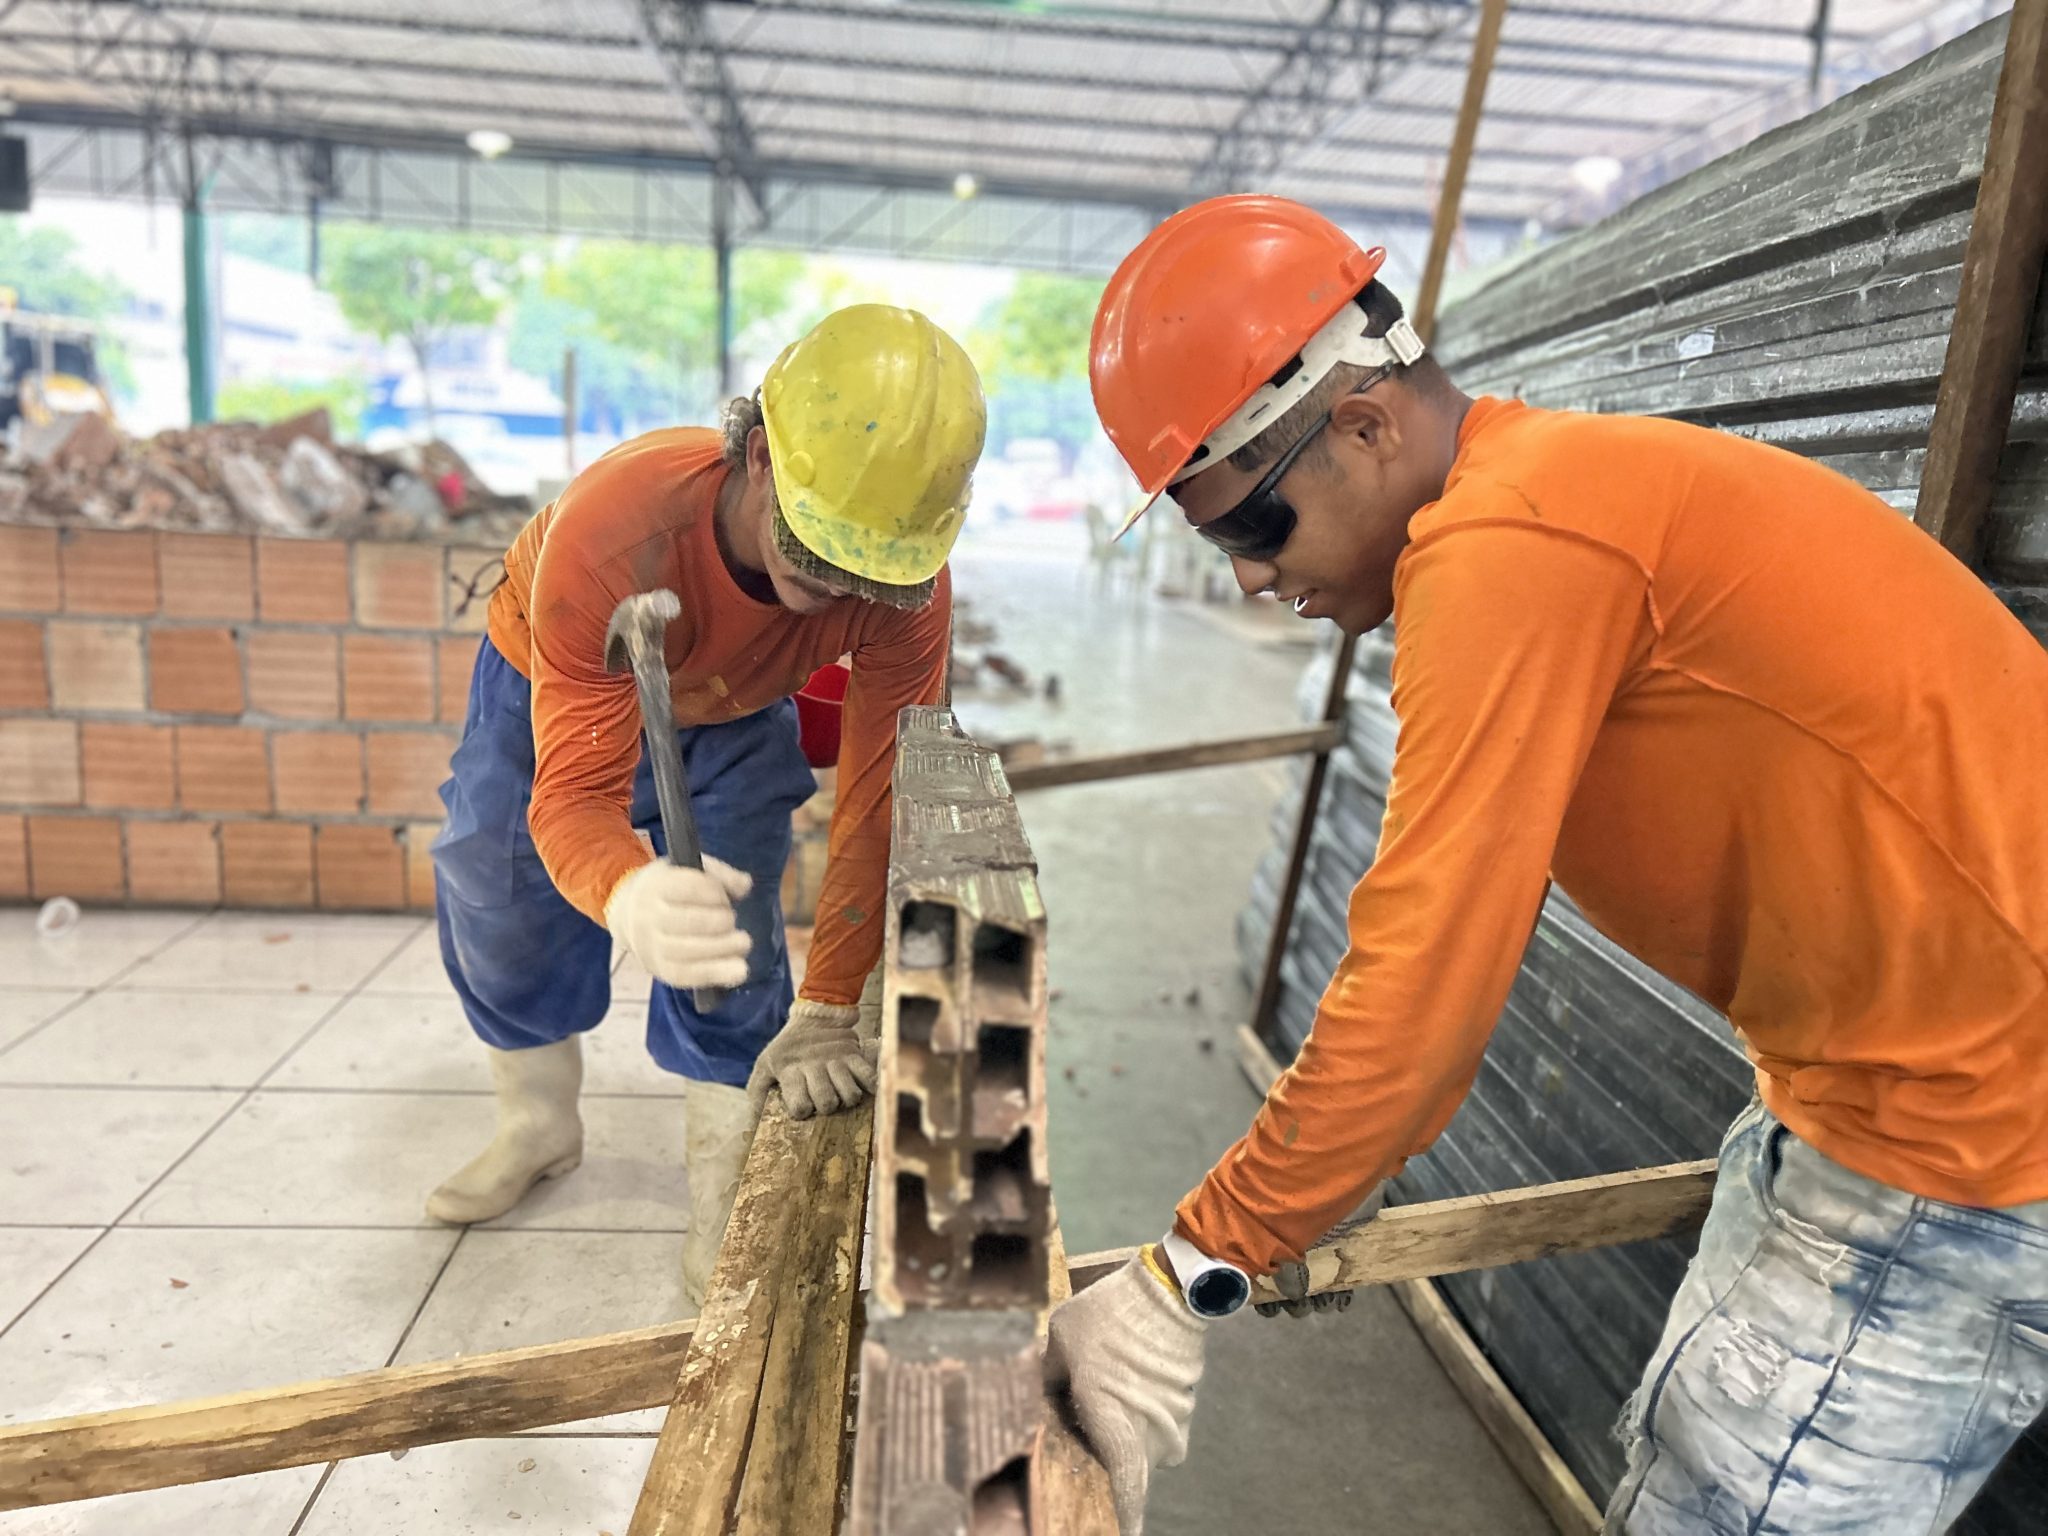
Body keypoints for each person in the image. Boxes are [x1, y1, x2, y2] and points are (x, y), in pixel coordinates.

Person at [1046, 194, 2048, 1534]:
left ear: (1361, 424)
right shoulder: (1542, 498)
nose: (1247, 582)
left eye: (1251, 531)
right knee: (1691, 1455)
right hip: (1871, 1088)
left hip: (1976, 1125)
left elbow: (1422, 994)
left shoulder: (1511, 543)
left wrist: (1192, 1274)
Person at [425, 304, 985, 1308]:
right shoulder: (616, 531)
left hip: (740, 703)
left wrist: (828, 1006)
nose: (836, 590)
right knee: (498, 882)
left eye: (870, 569)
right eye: (818, 548)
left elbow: (875, 793)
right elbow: (575, 799)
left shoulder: (908, 588)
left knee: (733, 937)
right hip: (553, 671)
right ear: (760, 456)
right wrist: (622, 889)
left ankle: (721, 1197)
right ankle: (537, 1121)